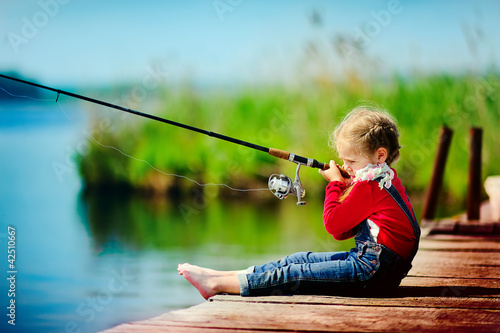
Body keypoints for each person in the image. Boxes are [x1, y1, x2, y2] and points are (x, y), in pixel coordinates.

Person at [178, 106, 420, 299]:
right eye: (343, 161)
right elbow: (345, 231)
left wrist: (335, 184)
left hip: (374, 273)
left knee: (297, 273)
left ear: (380, 155)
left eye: (352, 162)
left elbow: (334, 226)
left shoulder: (369, 186)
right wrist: (349, 183)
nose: (346, 167)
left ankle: (217, 284)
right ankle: (224, 275)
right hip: (378, 267)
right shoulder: (384, 179)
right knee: (299, 259)